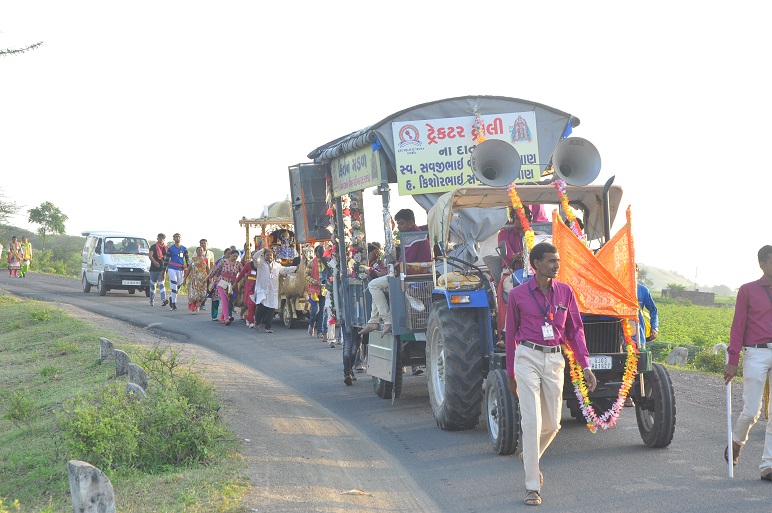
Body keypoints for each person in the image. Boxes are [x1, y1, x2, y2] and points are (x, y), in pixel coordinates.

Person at [505, 242, 597, 506]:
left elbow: (575, 331)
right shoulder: (518, 295)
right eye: (550, 261)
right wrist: (511, 372)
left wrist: (585, 366)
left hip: (555, 359)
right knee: (531, 422)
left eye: (557, 260)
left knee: (553, 424)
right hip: (527, 357)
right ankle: (532, 486)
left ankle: (530, 456)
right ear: (535, 265)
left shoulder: (566, 292)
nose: (557, 265)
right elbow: (511, 334)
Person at [723, 245, 772, 482]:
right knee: (752, 411)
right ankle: (736, 442)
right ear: (762, 264)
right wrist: (733, 360)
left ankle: (768, 466)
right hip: (755, 353)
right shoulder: (748, 290)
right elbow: (738, 326)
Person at [359, 208, 431, 338]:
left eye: (401, 223)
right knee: (377, 286)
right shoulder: (411, 236)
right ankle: (374, 321)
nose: (398, 227)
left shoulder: (415, 237)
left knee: (373, 285)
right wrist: (386, 271)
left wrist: (386, 272)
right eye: (397, 224)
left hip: (411, 276)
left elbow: (405, 262)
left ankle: (387, 320)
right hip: (406, 272)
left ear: (410, 222)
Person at [252, 248, 297, 333]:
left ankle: (268, 327)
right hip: (262, 289)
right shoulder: (260, 263)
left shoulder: (277, 265)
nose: (269, 256)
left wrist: (296, 267)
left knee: (271, 309)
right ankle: (257, 322)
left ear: (273, 256)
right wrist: (262, 249)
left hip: (273, 290)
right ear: (264, 256)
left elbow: (285, 270)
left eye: (270, 255)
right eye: (267, 254)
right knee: (261, 306)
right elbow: (254, 257)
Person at [207, 247, 242, 325]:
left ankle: (221, 317)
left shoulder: (238, 264)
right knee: (224, 299)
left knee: (228, 300)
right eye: (234, 256)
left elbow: (242, 273)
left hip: (231, 285)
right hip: (222, 282)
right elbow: (215, 270)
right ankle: (226, 319)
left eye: (237, 256)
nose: (235, 258)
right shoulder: (223, 262)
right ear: (230, 255)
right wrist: (209, 277)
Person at [306, 245, 329, 339]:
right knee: (315, 310)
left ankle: (319, 331)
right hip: (314, 290)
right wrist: (314, 281)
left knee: (322, 311)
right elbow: (306, 276)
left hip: (324, 290)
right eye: (319, 252)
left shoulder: (326, 262)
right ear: (316, 253)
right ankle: (311, 325)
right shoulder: (311, 263)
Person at [233, 251, 260, 328]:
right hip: (250, 286)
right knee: (251, 304)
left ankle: (248, 318)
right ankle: (251, 322)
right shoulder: (248, 265)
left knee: (257, 304)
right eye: (253, 255)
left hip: (259, 286)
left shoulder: (261, 265)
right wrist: (236, 283)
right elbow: (241, 274)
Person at [635, 264, 659, 346]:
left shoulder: (643, 290)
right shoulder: (617, 289)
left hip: (638, 336)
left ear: (637, 272)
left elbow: (653, 310)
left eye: (635, 270)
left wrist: (654, 327)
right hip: (621, 335)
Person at [166, 233, 189, 311]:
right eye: (176, 237)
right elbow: (166, 260)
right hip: (172, 268)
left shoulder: (184, 249)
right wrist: (164, 270)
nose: (177, 238)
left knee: (179, 285)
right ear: (173, 238)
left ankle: (172, 297)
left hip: (180, 269)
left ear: (181, 238)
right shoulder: (171, 249)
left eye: (179, 237)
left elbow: (187, 259)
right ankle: (173, 303)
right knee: (174, 285)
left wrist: (189, 268)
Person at [182, 246, 209, 313]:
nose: (200, 251)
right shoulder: (193, 259)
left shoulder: (205, 259)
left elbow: (208, 269)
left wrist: (210, 278)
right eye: (198, 250)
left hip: (203, 279)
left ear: (203, 251)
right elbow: (189, 269)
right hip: (194, 279)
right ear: (196, 251)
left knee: (202, 294)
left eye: (201, 250)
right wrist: (185, 278)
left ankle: (198, 306)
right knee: (194, 294)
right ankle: (195, 307)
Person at [148, 233, 169, 307]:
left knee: (161, 284)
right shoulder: (153, 247)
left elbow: (168, 258)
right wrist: (154, 262)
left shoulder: (166, 248)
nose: (161, 239)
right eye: (159, 238)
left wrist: (167, 268)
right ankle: (151, 300)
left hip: (161, 269)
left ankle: (164, 299)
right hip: (153, 269)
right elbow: (150, 256)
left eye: (162, 238)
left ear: (164, 239)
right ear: (157, 238)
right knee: (152, 285)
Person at [199, 238, 215, 311]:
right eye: (201, 243)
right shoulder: (197, 252)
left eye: (204, 243)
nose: (203, 244)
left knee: (206, 289)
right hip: (198, 274)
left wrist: (212, 275)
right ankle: (198, 303)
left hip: (207, 273)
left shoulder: (210, 253)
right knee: (199, 289)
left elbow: (212, 264)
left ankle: (203, 304)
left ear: (207, 244)